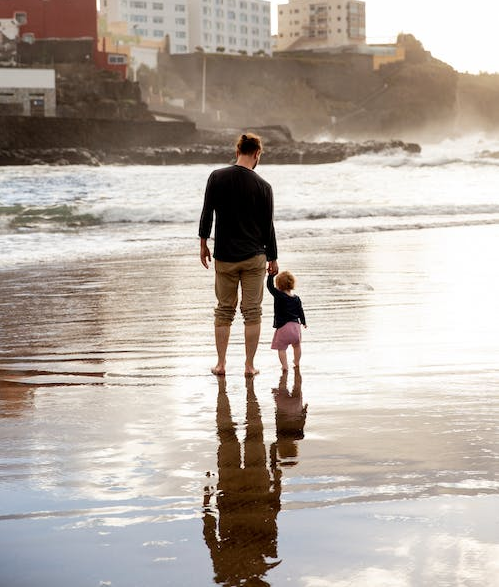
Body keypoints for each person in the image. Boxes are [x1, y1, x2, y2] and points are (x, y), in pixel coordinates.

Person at [199, 132, 278, 376]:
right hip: (254, 257)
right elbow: (268, 226)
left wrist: (203, 244)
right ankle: (249, 366)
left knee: (224, 310)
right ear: (257, 154)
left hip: (225, 256)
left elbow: (207, 213)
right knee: (252, 312)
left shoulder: (217, 177)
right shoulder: (264, 186)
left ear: (237, 151)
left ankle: (221, 364)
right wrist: (273, 257)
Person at [267, 271, 306, 371]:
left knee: (282, 349)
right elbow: (300, 311)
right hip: (296, 327)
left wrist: (270, 276)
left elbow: (270, 287)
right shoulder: (296, 298)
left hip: (283, 327)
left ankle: (284, 366)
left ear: (279, 285)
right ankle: (297, 362)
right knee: (297, 346)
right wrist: (304, 322)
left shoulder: (279, 295)